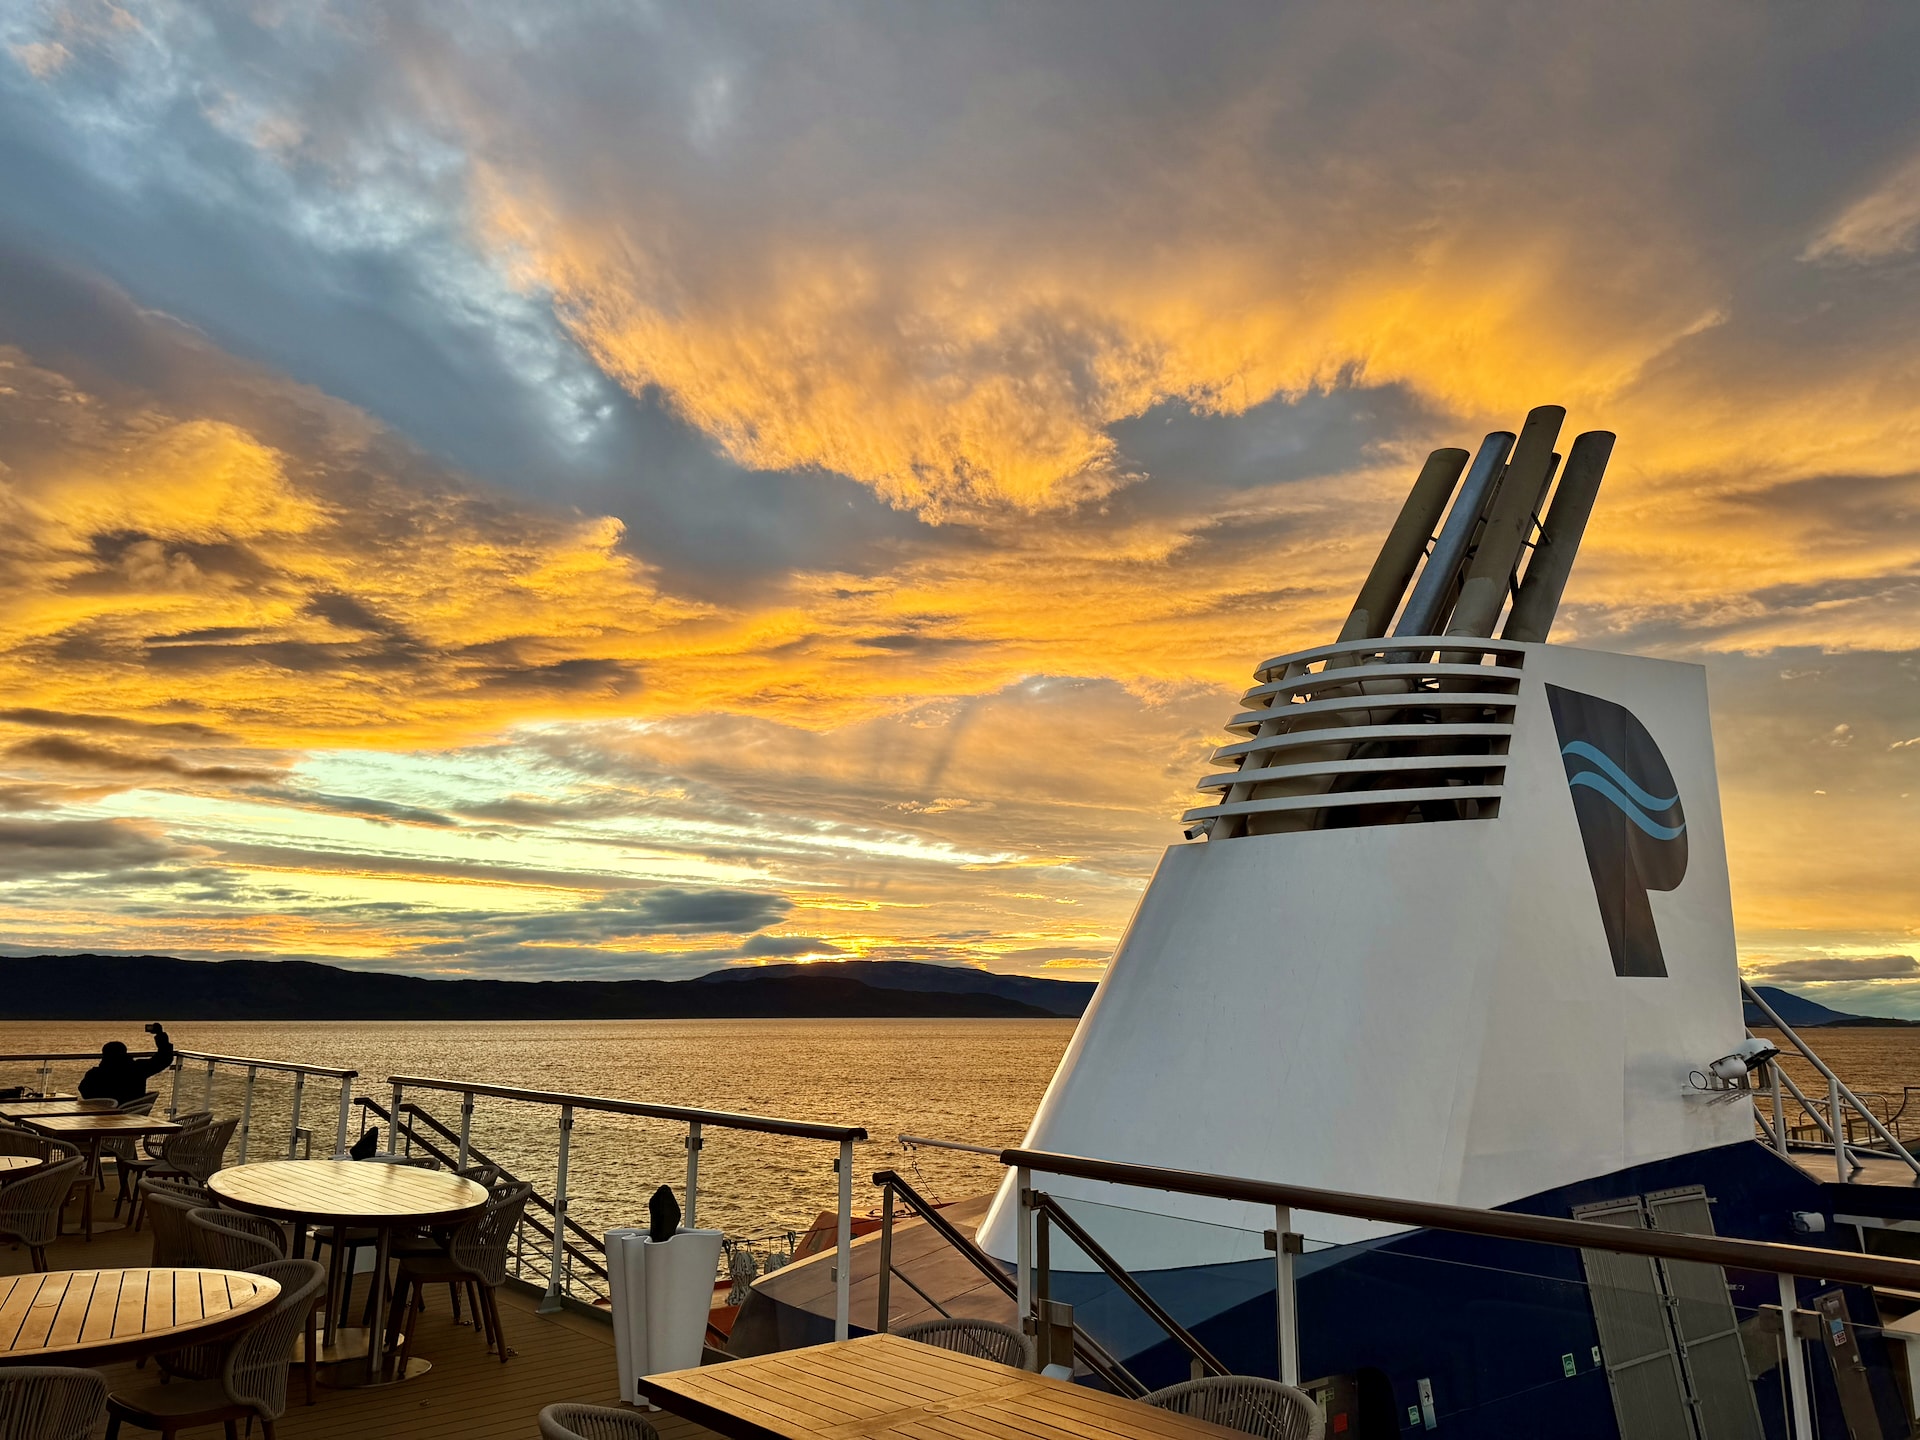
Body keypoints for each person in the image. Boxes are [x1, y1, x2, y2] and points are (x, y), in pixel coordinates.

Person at [78, 1023, 175, 1103]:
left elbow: (84, 1092)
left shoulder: (94, 1074)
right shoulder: (137, 1069)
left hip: (103, 1116)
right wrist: (160, 1036)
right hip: (132, 1113)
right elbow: (163, 1059)